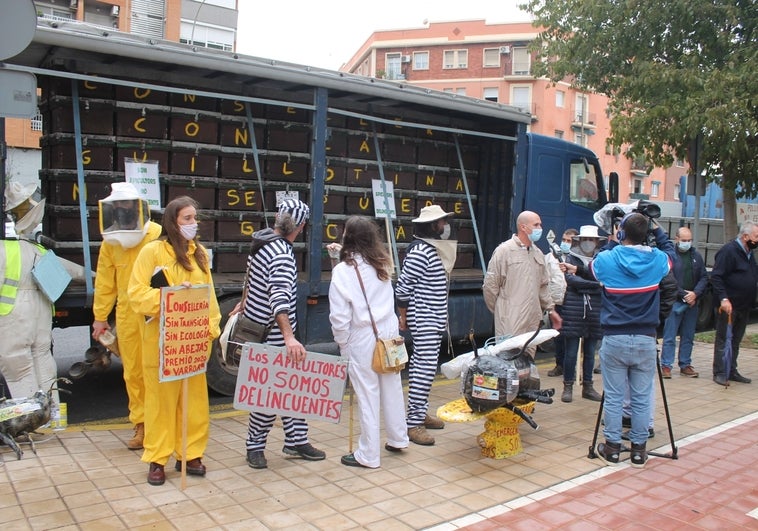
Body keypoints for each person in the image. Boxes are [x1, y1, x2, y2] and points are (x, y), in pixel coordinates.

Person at [127, 196, 221, 486]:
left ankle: (190, 453)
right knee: (160, 405)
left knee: (193, 403)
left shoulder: (200, 254)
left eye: (195, 218)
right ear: (172, 221)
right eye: (187, 219)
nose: (194, 224)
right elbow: (136, 293)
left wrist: (210, 329)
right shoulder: (152, 252)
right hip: (161, 345)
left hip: (191, 345)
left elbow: (210, 298)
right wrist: (169, 297)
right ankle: (157, 458)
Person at [243, 199, 326, 469]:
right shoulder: (280, 254)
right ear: (300, 226)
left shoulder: (262, 241)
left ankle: (296, 439)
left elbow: (250, 279)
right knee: (270, 392)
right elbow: (279, 298)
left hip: (258, 326)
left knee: (292, 387)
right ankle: (255, 446)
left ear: (279, 217)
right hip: (272, 334)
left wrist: (244, 303)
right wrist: (289, 337)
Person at [590, 213, 672, 468]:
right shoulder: (657, 260)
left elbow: (597, 261)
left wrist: (614, 239)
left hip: (615, 338)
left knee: (614, 397)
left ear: (621, 233)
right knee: (641, 396)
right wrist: (656, 230)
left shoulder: (607, 259)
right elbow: (670, 253)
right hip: (646, 339)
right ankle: (639, 450)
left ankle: (612, 448)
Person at [329, 216, 409, 467]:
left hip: (363, 337)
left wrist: (343, 343)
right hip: (389, 336)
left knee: (367, 393)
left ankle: (368, 454)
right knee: (392, 387)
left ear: (347, 237)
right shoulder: (383, 262)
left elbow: (339, 316)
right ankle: (398, 438)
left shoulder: (343, 271)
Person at [92, 182, 162, 450]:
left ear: (138, 206)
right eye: (118, 205)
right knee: (133, 372)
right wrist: (100, 318)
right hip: (127, 313)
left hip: (156, 312)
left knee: (156, 369)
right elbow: (105, 283)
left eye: (126, 204)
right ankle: (141, 425)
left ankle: (161, 424)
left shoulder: (157, 233)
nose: (122, 209)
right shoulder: (110, 242)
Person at [395, 204, 456, 446]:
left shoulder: (430, 249)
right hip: (426, 318)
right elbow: (403, 288)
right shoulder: (422, 252)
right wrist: (403, 316)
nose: (445, 226)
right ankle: (413, 423)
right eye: (441, 222)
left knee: (428, 368)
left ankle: (419, 413)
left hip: (432, 317)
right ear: (433, 226)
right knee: (423, 368)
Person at [0, 182, 58, 406]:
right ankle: (52, 415)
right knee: (43, 361)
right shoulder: (38, 250)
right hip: (39, 311)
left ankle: (32, 418)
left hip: (14, 314)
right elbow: (66, 273)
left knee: (19, 367)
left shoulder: (5, 249)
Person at [483, 210, 562, 344]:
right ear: (523, 227)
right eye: (536, 225)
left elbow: (543, 286)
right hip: (510, 320)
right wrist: (502, 311)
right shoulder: (505, 251)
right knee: (508, 358)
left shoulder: (538, 253)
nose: (540, 229)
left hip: (533, 320)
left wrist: (551, 310)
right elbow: (490, 286)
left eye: (540, 225)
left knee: (527, 360)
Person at [558, 225, 604, 403]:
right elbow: (571, 280)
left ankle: (588, 386)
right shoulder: (571, 257)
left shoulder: (600, 259)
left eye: (591, 240)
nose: (588, 243)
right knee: (571, 352)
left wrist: (591, 282)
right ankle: (567, 386)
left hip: (594, 309)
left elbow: (602, 278)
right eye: (585, 240)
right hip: (574, 309)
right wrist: (595, 285)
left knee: (591, 351)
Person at [710, 221, 758, 386]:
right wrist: (724, 298)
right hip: (729, 305)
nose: (757, 240)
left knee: (736, 339)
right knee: (724, 338)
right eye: (756, 236)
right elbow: (716, 276)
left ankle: (731, 369)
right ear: (745, 236)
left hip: (744, 305)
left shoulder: (749, 253)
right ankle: (720, 372)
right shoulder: (729, 251)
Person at [660, 227, 707, 379]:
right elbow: (668, 278)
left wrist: (695, 294)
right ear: (677, 239)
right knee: (670, 335)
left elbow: (704, 277)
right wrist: (683, 294)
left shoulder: (696, 256)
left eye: (689, 240)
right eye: (684, 240)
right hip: (675, 301)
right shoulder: (671, 256)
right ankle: (666, 365)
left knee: (688, 335)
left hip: (692, 302)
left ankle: (685, 364)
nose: (687, 243)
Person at [547, 228, 576, 378]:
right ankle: (559, 365)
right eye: (564, 240)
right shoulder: (551, 257)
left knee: (570, 337)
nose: (565, 243)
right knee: (558, 335)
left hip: (573, 303)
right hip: (558, 302)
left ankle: (570, 367)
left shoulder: (577, 259)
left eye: (569, 241)